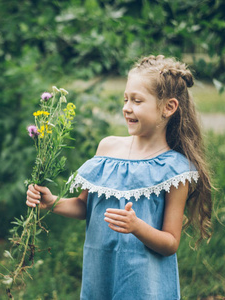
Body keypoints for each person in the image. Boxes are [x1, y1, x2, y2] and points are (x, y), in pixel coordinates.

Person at [26, 55, 213, 299]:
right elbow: (84, 206)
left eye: (137, 100)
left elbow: (170, 243)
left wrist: (137, 227)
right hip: (100, 275)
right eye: (125, 99)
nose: (126, 107)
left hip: (143, 286)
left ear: (169, 107)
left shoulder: (176, 169)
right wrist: (52, 202)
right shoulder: (107, 149)